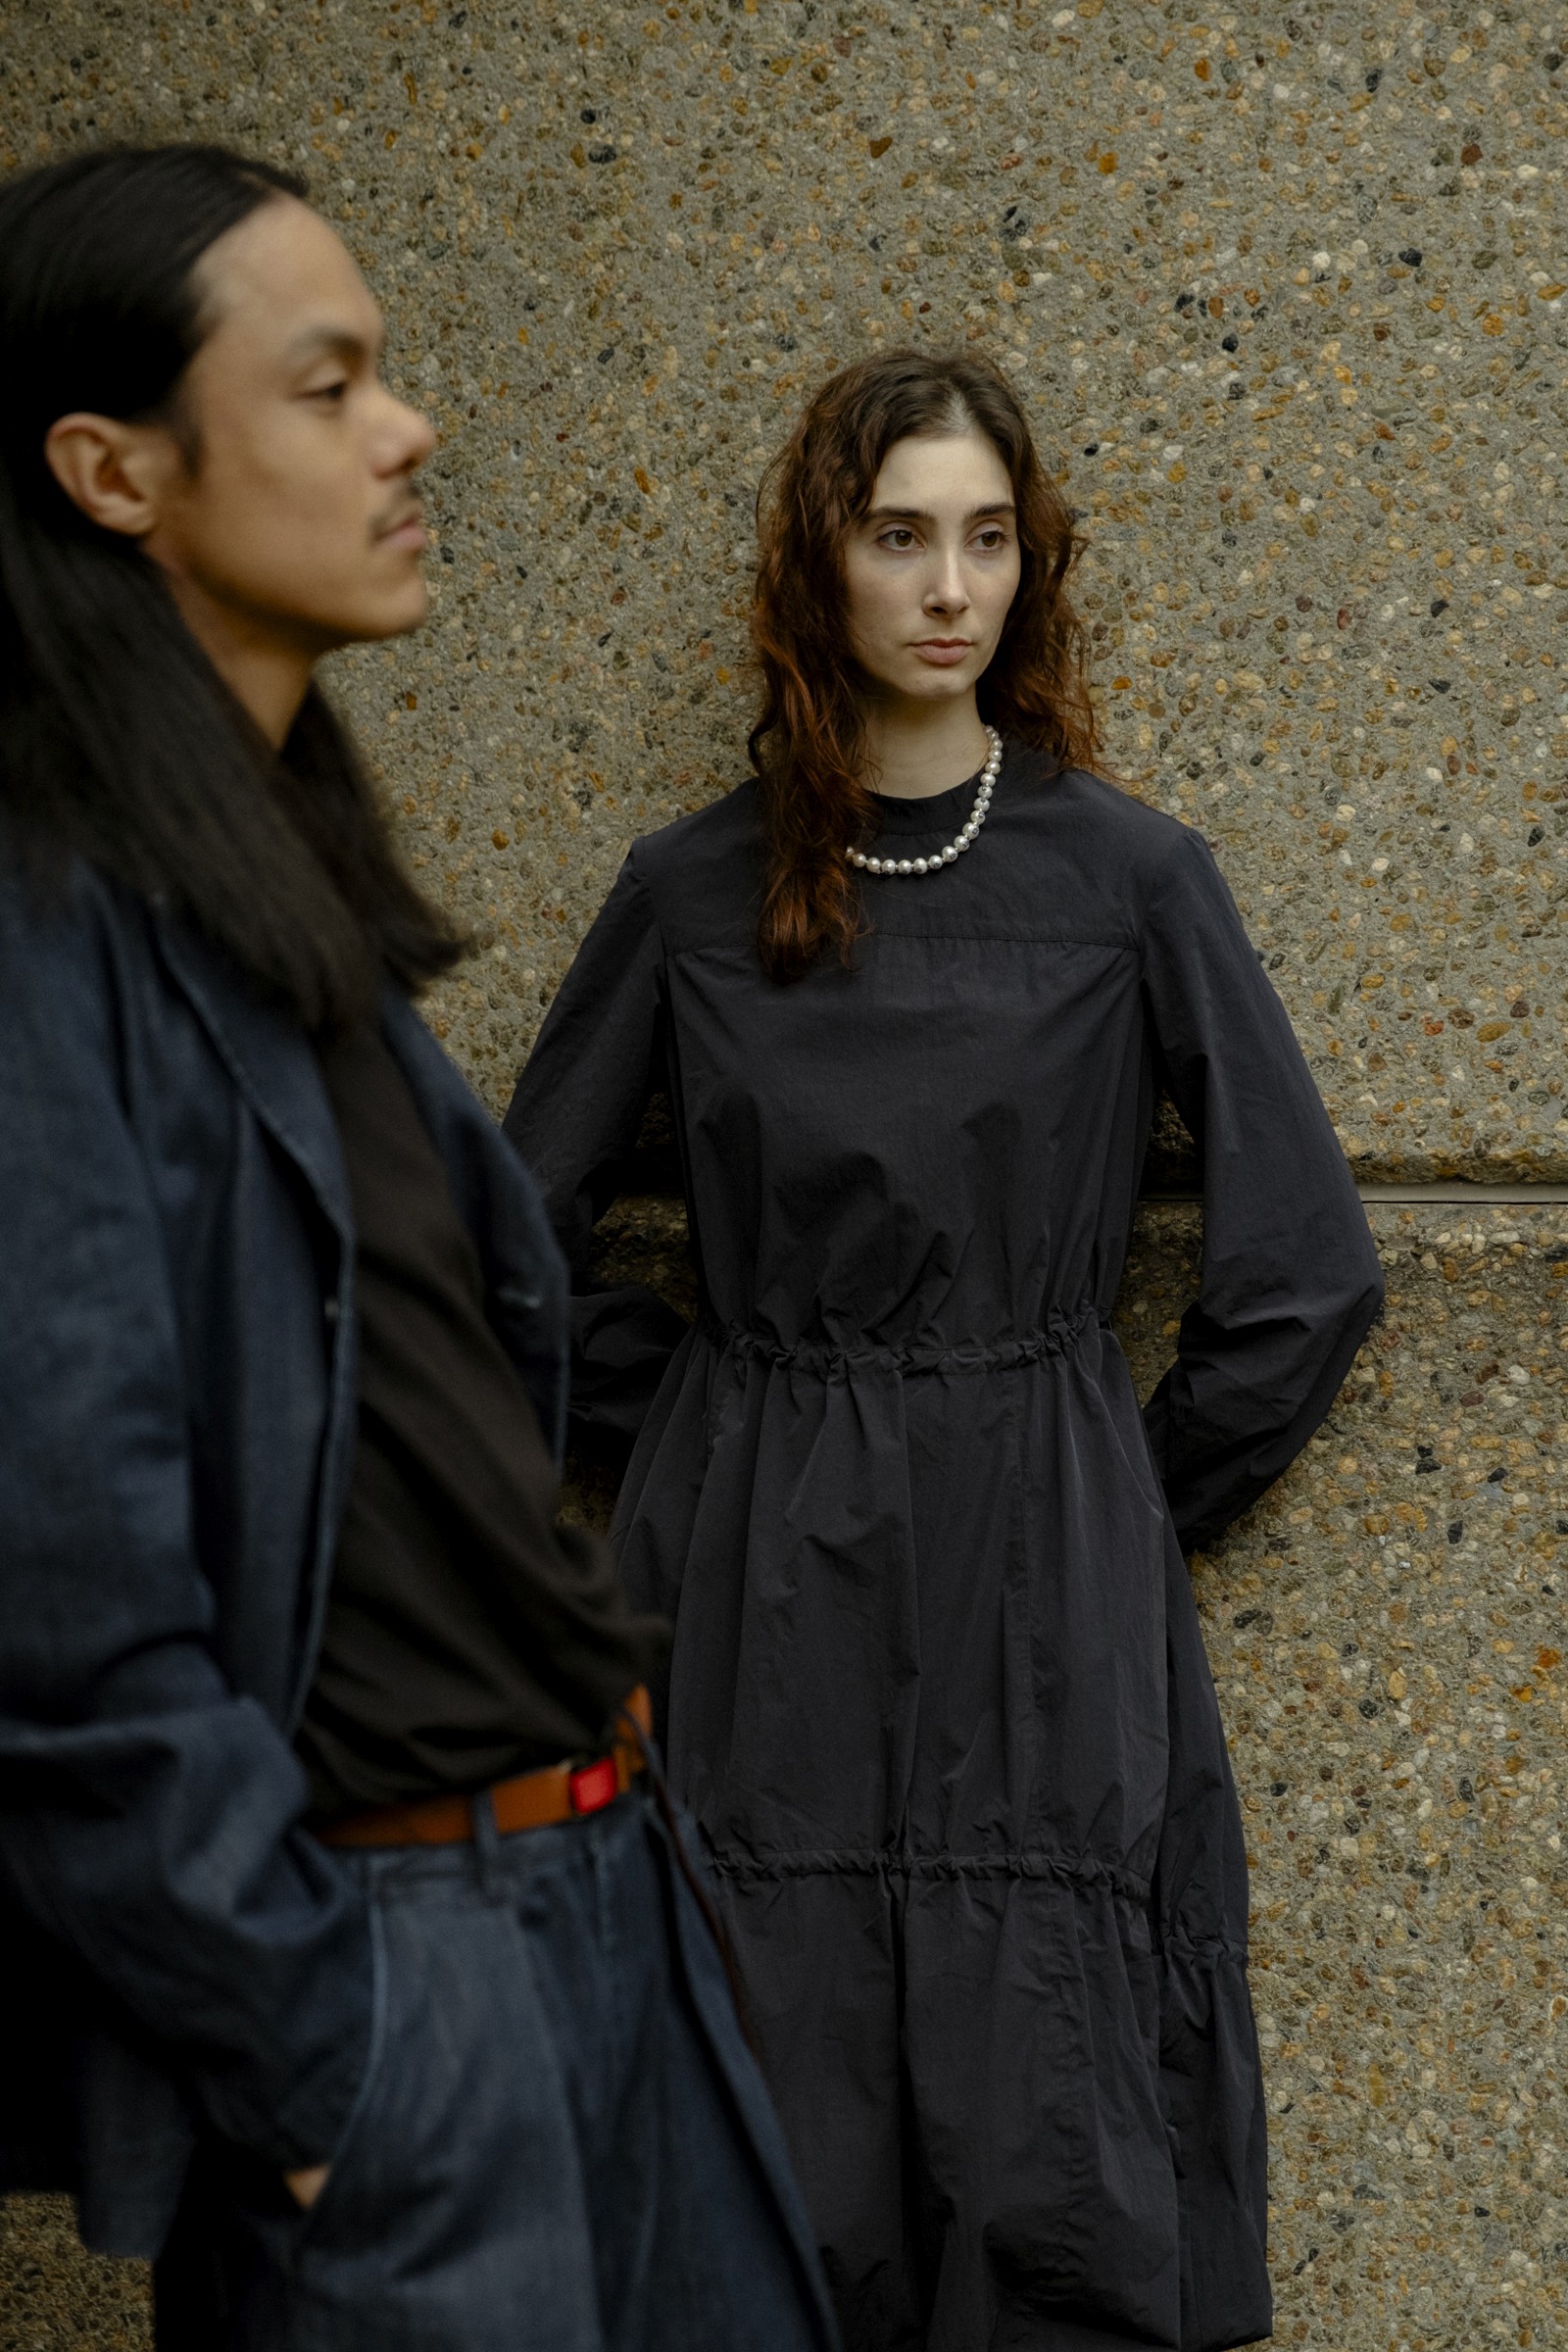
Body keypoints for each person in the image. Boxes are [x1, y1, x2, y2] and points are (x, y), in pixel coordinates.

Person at [0, 144, 836, 2352]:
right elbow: (58, 1608)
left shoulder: (279, 891)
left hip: (603, 1903)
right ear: (112, 472)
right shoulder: (50, 929)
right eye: (328, 384)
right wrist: (313, 2061)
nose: (410, 428)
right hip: (396, 1977)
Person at [504, 350, 1386, 2352]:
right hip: (761, 1591)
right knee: (766, 2096)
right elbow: (491, 1261)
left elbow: (1301, 1272)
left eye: (987, 537)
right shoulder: (693, 889)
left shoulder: (1131, 880)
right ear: (817, 564)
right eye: (897, 533)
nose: (947, 586)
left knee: (1040, 2115)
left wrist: (1110, 1492)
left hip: (1038, 1577)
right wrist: (706, 1426)